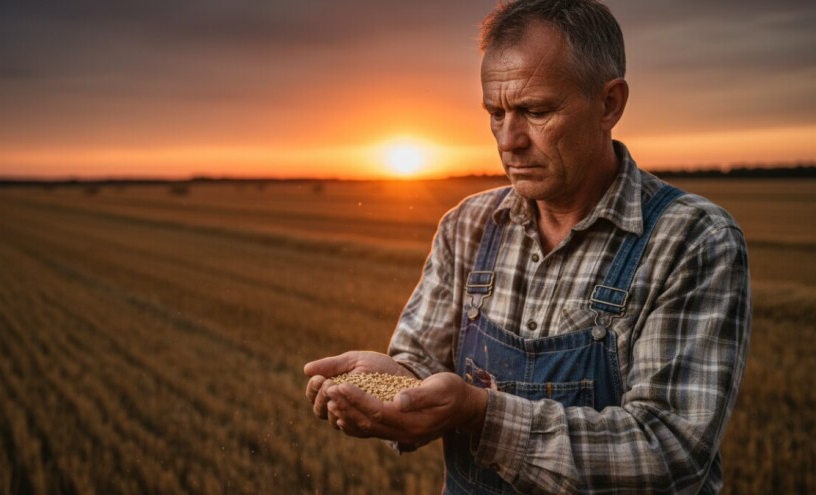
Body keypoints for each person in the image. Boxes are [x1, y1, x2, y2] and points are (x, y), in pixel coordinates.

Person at [304, 0, 751, 493]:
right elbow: (419, 365)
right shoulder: (468, 225)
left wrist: (482, 413)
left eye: (535, 111)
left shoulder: (692, 240)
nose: (508, 140)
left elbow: (670, 450)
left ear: (609, 104)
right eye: (495, 113)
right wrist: (395, 383)